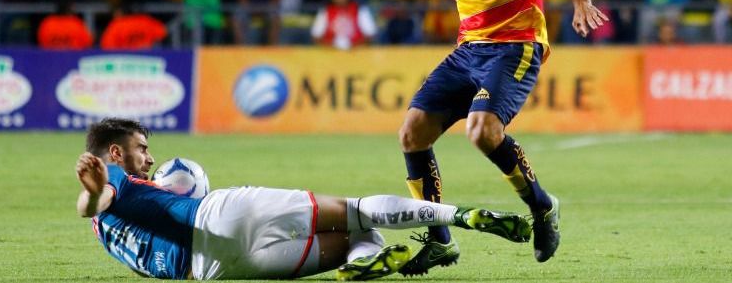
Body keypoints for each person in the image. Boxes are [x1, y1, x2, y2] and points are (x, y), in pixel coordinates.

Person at [321, 0, 608, 275]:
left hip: (516, 44)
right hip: (469, 49)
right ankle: (440, 242)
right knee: (412, 133)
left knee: (482, 131)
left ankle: (542, 207)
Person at [75, 118, 531, 281]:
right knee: (357, 212)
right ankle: (461, 215)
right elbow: (97, 198)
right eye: (141, 149)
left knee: (359, 237)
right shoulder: (111, 175)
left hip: (214, 269)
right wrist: (98, 189)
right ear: (115, 153)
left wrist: (95, 197)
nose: (149, 159)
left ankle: (360, 266)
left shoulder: (101, 226)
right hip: (218, 213)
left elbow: (92, 209)